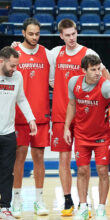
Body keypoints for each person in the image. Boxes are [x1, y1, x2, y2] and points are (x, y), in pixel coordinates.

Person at [49, 18, 110, 216]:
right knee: (64, 159)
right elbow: (50, 78)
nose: (71, 38)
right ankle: (68, 201)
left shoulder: (89, 54)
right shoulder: (55, 54)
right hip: (61, 114)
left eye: (73, 34)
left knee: (88, 166)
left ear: (77, 32)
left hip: (88, 117)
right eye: (67, 35)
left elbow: (105, 78)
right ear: (61, 36)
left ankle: (89, 204)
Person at [63, 55, 110, 220]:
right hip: (81, 136)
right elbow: (71, 105)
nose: (98, 72)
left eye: (99, 69)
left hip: (102, 137)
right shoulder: (73, 83)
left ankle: (101, 208)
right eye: (93, 69)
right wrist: (66, 128)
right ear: (84, 70)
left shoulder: (106, 87)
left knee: (102, 171)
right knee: (82, 171)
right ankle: (83, 207)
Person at [11, 18, 52, 218]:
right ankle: (16, 200)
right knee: (18, 159)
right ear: (23, 32)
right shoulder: (13, 52)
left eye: (37, 34)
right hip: (18, 116)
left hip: (41, 115)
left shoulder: (46, 53)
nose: (34, 37)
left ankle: (39, 200)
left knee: (39, 159)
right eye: (31, 34)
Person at [0, 46, 37, 220]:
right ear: (2, 61)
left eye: (17, 65)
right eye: (12, 66)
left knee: (7, 172)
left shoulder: (17, 76)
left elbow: (21, 98)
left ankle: (5, 207)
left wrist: (31, 119)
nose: (15, 69)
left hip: (8, 133)